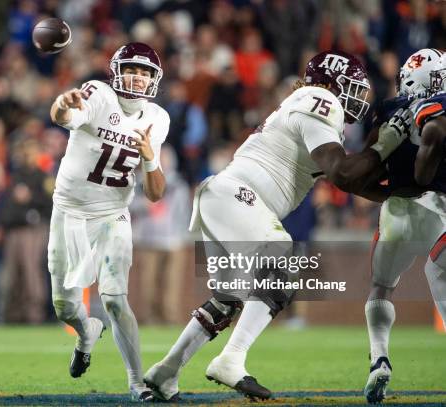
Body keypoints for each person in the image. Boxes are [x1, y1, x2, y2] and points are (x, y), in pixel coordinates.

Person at [144, 50, 412, 401]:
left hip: (226, 197)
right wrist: (387, 142)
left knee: (229, 298)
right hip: (239, 196)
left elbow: (354, 181)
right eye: (352, 88)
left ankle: (165, 373)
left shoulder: (313, 110)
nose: (358, 99)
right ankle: (232, 359)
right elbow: (344, 174)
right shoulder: (322, 99)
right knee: (282, 258)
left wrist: (401, 191)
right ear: (331, 83)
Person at [48, 42, 170, 402]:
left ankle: (137, 383)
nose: (138, 77)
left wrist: (149, 160)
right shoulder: (98, 94)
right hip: (69, 210)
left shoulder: (158, 118)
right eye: (133, 69)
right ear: (117, 71)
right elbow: (63, 117)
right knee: (64, 307)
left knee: (116, 299)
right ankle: (87, 332)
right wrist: (61, 104)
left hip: (113, 214)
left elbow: (155, 193)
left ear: (155, 79)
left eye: (146, 72)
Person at [364, 48, 446, 404]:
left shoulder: (387, 109)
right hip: (439, 208)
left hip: (396, 209)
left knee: (381, 287)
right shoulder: (440, 106)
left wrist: (384, 195)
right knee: (439, 276)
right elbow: (433, 140)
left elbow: (368, 166)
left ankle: (379, 358)